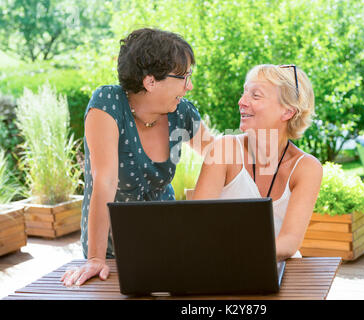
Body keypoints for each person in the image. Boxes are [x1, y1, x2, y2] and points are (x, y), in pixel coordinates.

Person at [61, 28, 212, 286]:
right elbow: (105, 180)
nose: (190, 86)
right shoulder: (108, 103)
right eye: (183, 77)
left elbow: (218, 155)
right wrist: (96, 258)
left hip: (167, 245)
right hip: (111, 251)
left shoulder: (182, 112)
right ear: (150, 81)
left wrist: (197, 213)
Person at [192, 64, 322, 261]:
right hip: (220, 264)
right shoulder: (223, 150)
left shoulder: (306, 168)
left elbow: (289, 242)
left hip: (279, 268)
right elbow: (196, 224)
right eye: (244, 93)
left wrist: (244, 256)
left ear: (287, 112)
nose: (241, 102)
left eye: (255, 95)